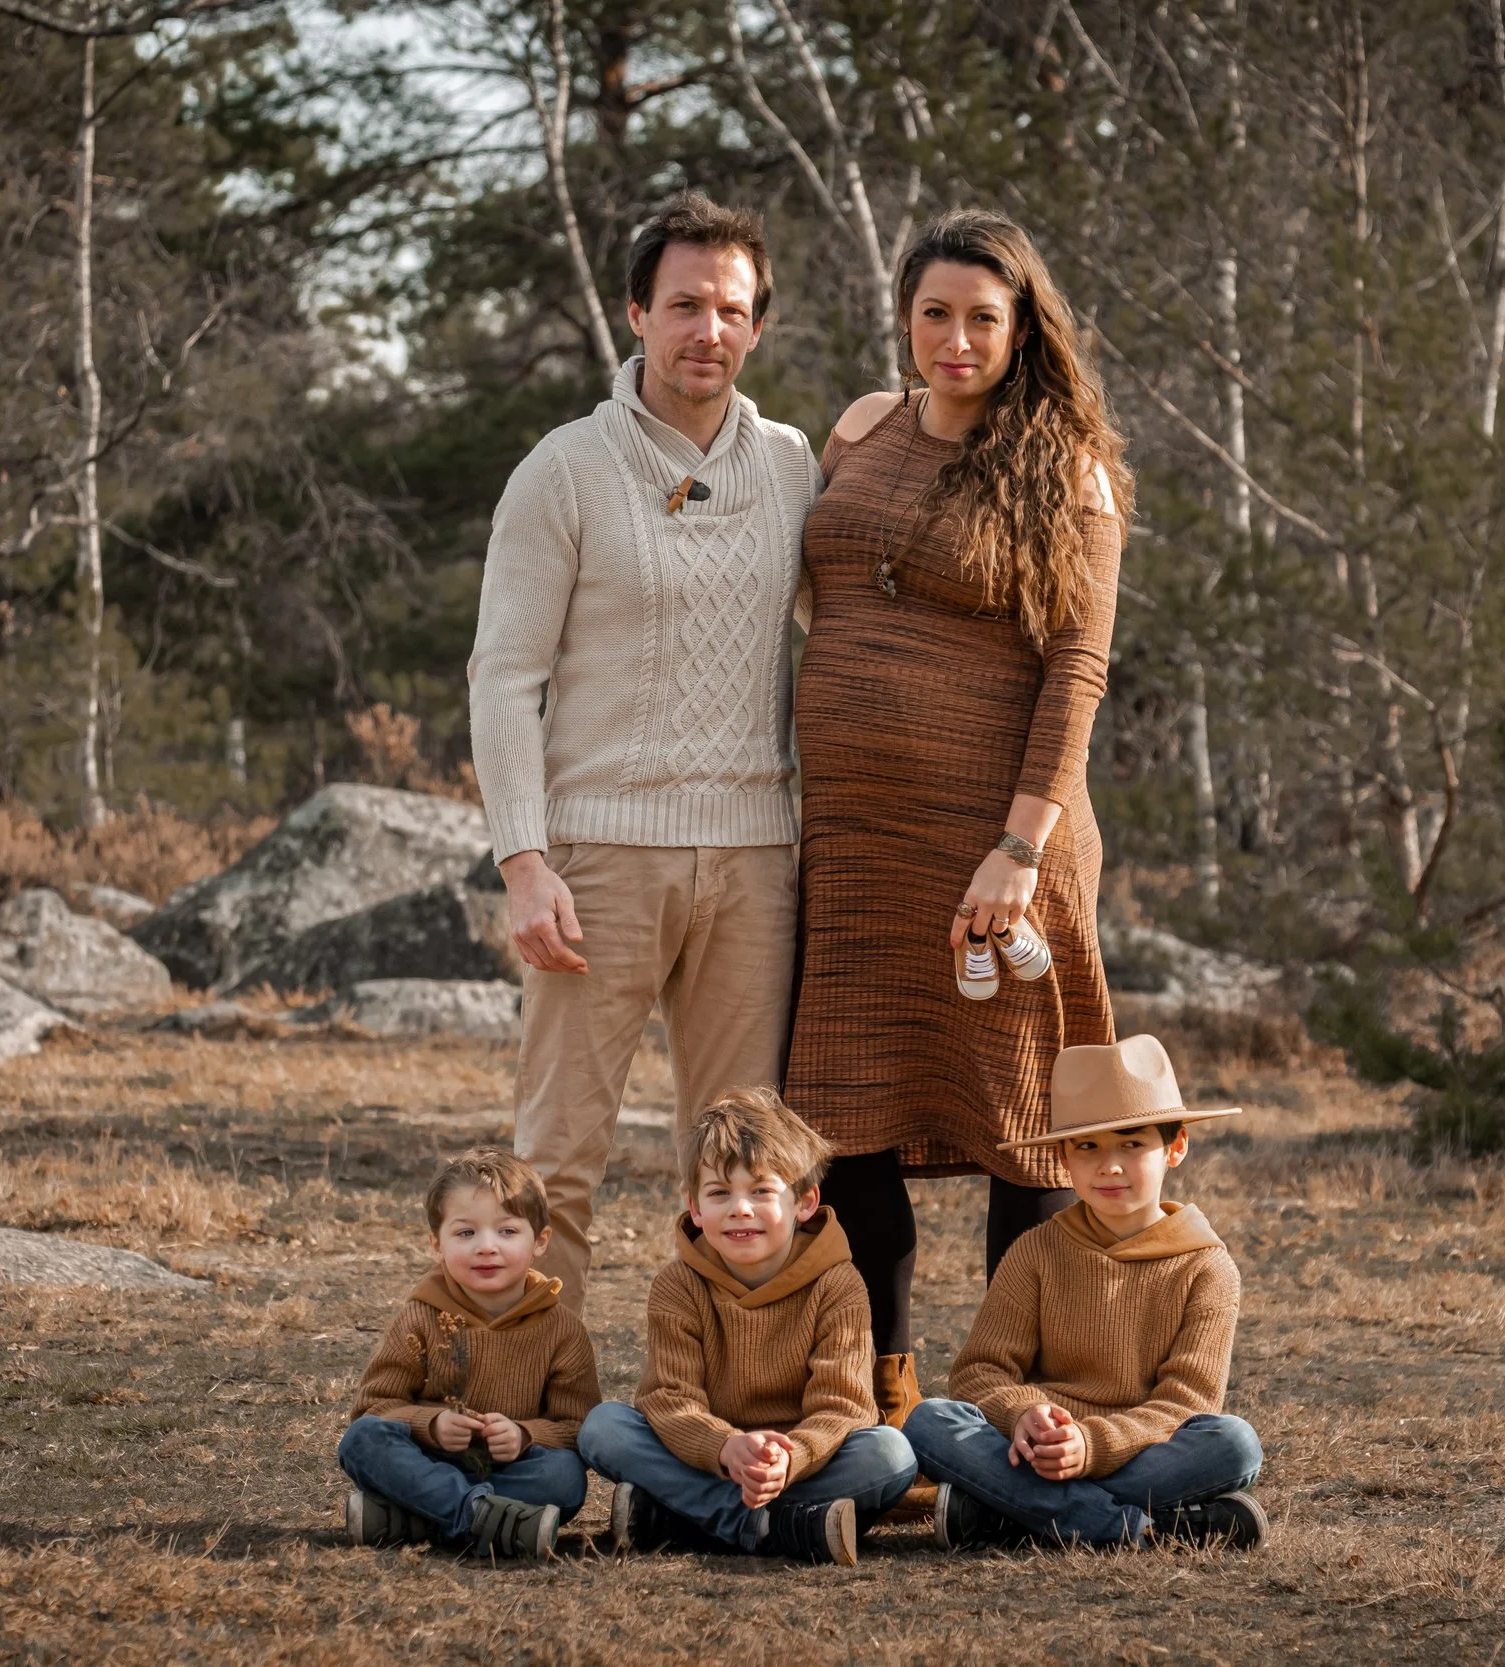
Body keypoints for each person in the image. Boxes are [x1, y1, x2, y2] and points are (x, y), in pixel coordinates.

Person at [789, 208, 1132, 1419]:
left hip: (995, 839)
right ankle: (880, 1393)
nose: (956, 338)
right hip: (854, 844)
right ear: (905, 315)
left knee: (1023, 1118)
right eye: (934, 312)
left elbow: (1075, 670)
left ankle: (1012, 1399)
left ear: (1022, 327)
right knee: (848, 1105)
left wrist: (1016, 848)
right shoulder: (858, 428)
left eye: (983, 317)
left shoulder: (1068, 469)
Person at [467, 191, 818, 1308]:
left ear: (757, 324)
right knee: (558, 1158)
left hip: (758, 857)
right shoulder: (564, 469)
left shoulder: (798, 465)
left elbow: (849, 633)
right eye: (681, 305)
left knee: (747, 1167)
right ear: (635, 311)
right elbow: (503, 676)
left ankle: (725, 1412)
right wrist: (525, 860)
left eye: (729, 307)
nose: (704, 330)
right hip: (598, 860)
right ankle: (538, 1404)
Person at [903, 1036, 1267, 1550]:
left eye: (1132, 1143)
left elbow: (1186, 1403)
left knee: (1233, 1444)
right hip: (1037, 1445)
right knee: (929, 1420)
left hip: (1142, 1448)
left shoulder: (1208, 1267)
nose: (1109, 1165)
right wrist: (1024, 1415)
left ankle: (1009, 1511)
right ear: (1063, 1157)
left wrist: (1091, 1447)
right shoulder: (1036, 1252)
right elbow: (978, 1372)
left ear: (1177, 1146)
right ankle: (1135, 1528)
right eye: (1088, 1146)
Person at [577, 1090, 918, 1565]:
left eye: (761, 1191)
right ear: (695, 1208)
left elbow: (844, 1407)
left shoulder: (839, 1284)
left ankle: (679, 1518)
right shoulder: (679, 1284)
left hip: (803, 1462)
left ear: (804, 1201)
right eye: (719, 1193)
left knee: (890, 1455)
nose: (740, 1208)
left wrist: (790, 1457)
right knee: (603, 1427)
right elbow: (669, 1398)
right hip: (711, 1459)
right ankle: (776, 1527)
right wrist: (726, 1447)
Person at [337, 1149, 600, 1559]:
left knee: (564, 1479)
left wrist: (524, 1434)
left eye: (508, 1232)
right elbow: (373, 1409)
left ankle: (418, 1519)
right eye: (465, 1233)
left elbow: (577, 1427)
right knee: (362, 1442)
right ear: (435, 1244)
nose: (486, 1247)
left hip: (512, 1469)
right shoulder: (420, 1317)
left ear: (541, 1241)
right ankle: (482, 1517)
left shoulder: (562, 1330)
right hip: (426, 1464)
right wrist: (432, 1424)